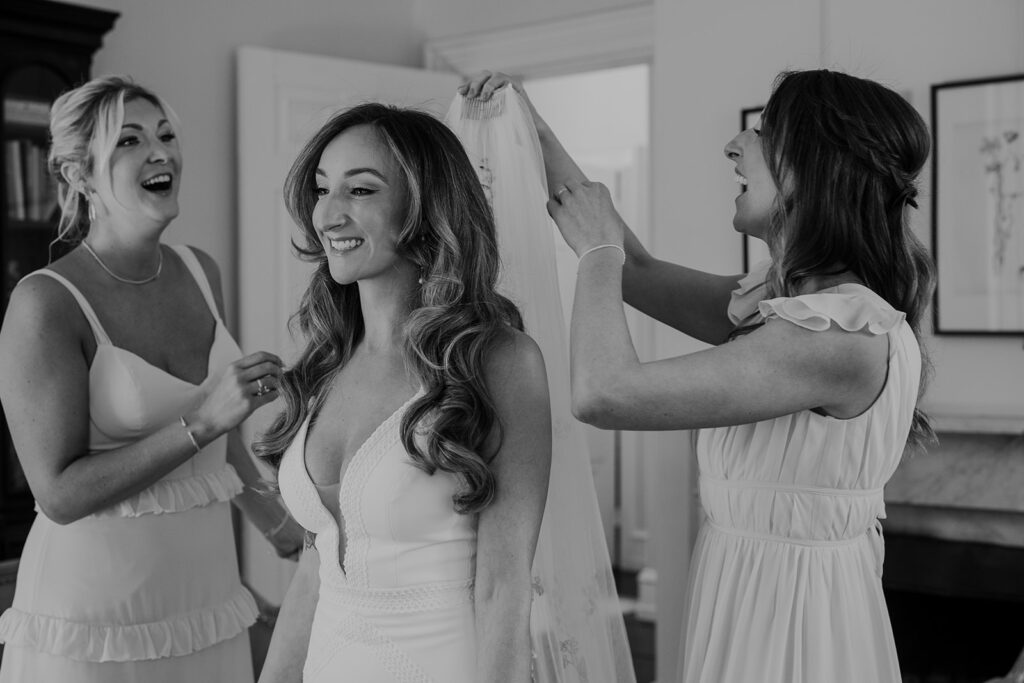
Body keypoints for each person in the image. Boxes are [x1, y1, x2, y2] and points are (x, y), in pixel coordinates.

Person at [462, 69, 935, 683]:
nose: (735, 144)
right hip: (742, 589)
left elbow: (604, 392)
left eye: (763, 133)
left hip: (794, 617)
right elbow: (639, 269)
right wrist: (531, 127)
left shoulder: (843, 334)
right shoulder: (786, 308)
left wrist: (595, 256)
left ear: (815, 169)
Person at [0, 75, 305, 683]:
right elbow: (59, 494)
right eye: (130, 141)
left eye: (166, 135)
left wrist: (286, 533)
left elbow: (225, 448)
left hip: (205, 601)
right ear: (80, 176)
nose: (160, 152)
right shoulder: (46, 303)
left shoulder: (200, 270)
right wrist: (204, 420)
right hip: (97, 621)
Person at [253, 102, 553, 683]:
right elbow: (316, 570)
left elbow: (503, 591)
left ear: (424, 209)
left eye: (360, 191)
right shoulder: (325, 363)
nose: (328, 215)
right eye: (322, 189)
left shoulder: (498, 362)